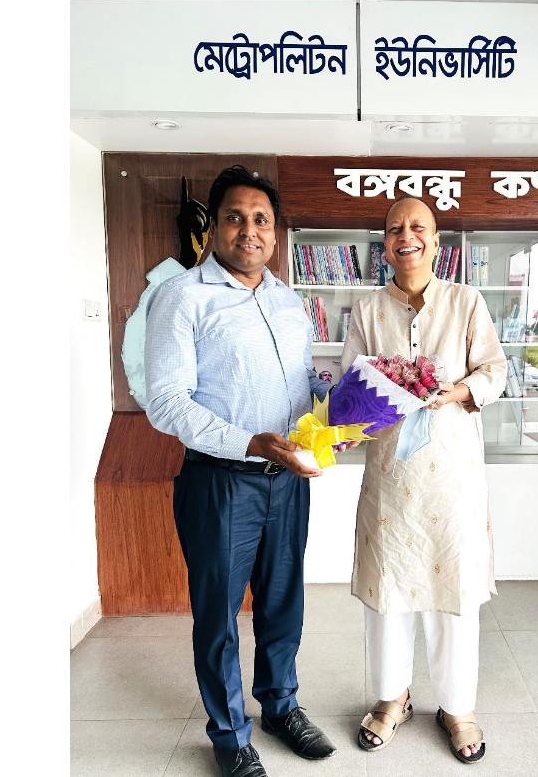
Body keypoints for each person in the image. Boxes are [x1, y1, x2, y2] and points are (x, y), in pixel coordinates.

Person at [144, 164, 338, 777]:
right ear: (213, 227)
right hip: (220, 481)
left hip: (290, 480)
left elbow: (301, 381)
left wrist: (344, 401)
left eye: (261, 220)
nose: (249, 230)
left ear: (275, 233)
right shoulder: (182, 297)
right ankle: (230, 735)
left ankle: (280, 707)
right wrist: (250, 442)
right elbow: (166, 403)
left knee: (283, 605)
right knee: (220, 617)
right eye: (235, 217)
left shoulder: (288, 300)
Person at [342, 195, 507, 765]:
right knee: (387, 592)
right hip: (390, 478)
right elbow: (352, 386)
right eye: (395, 229)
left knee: (452, 590)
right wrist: (349, 419)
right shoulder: (367, 310)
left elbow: (495, 370)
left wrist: (455, 392)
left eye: (418, 227)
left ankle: (457, 708)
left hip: (451, 479)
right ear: (384, 245)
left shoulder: (466, 301)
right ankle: (392, 699)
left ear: (437, 242)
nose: (406, 236)